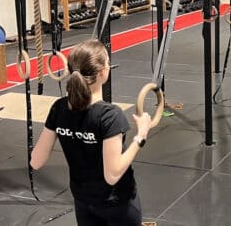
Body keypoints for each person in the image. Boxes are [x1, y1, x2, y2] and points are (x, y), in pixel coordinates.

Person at [31, 39, 152, 225]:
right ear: (103, 72)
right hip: (118, 205)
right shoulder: (110, 116)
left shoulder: (59, 108)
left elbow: (36, 161)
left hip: (83, 203)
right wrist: (141, 136)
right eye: (108, 63)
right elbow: (112, 175)